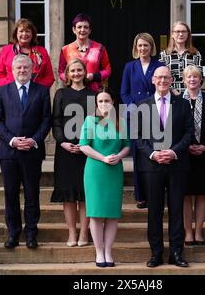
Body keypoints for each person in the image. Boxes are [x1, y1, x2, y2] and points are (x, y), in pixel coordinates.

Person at [134, 66, 193, 268]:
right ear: (153, 80)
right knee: (154, 211)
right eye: (158, 77)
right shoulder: (142, 105)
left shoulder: (183, 105)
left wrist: (173, 152)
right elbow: (137, 136)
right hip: (152, 166)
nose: (162, 80)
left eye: (166, 77)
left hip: (177, 164)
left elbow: (188, 133)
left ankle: (176, 253)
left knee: (177, 210)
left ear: (171, 80)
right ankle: (156, 253)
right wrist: (153, 153)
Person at [0, 54, 51, 249]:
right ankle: (13, 233)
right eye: (19, 68)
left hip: (32, 151)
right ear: (12, 70)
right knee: (11, 194)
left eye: (26, 67)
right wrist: (12, 140)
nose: (22, 71)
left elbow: (46, 121)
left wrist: (33, 140)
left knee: (32, 194)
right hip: (9, 153)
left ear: (32, 69)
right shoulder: (2, 91)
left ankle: (31, 233)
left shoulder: (42, 92)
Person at [79, 87, 130, 267]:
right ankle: (99, 252)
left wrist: (119, 156)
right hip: (95, 171)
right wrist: (103, 158)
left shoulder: (120, 122)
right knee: (96, 213)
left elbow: (127, 145)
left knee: (112, 214)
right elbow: (84, 146)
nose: (103, 104)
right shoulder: (90, 121)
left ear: (113, 102)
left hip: (114, 170)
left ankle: (108, 251)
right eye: (100, 101)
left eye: (106, 100)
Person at [51, 58, 95, 247]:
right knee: (68, 196)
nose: (76, 73)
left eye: (79, 70)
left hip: (88, 150)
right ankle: (72, 233)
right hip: (66, 151)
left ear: (85, 72)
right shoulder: (61, 94)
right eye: (72, 71)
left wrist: (86, 144)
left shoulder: (93, 94)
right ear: (67, 74)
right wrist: (63, 142)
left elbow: (97, 122)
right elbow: (56, 121)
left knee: (85, 194)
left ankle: (84, 234)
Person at [120, 32, 164, 209]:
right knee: (139, 156)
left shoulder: (159, 65)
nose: (143, 48)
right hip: (135, 116)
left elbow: (162, 87)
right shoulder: (129, 67)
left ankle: (155, 194)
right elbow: (124, 92)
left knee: (155, 154)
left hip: (155, 113)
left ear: (151, 47)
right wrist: (134, 109)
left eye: (146, 45)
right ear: (135, 48)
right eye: (140, 45)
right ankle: (140, 195)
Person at [181, 65, 205, 246]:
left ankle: (199, 231)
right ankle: (188, 232)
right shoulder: (177, 100)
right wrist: (186, 146)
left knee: (201, 194)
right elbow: (175, 127)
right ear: (184, 80)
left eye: (196, 77)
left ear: (200, 80)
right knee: (186, 195)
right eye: (189, 77)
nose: (192, 80)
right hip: (184, 154)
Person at [0, 18, 55, 88]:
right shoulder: (6, 50)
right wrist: (12, 87)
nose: (24, 34)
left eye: (27, 31)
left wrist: (38, 89)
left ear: (32, 34)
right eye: (21, 31)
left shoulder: (42, 52)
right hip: (11, 93)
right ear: (16, 34)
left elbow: (49, 77)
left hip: (36, 94)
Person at [59, 13, 112, 93]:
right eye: (79, 27)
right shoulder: (66, 49)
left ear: (90, 30)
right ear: (74, 29)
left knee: (90, 106)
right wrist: (71, 79)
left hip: (93, 91)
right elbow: (61, 71)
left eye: (86, 27)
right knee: (74, 106)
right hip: (74, 90)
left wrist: (93, 76)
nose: (82, 30)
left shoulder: (99, 48)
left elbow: (107, 69)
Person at [159, 21, 201, 94]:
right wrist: (173, 91)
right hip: (170, 95)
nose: (181, 34)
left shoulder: (195, 54)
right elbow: (162, 77)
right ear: (172, 34)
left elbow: (200, 76)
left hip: (191, 95)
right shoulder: (164, 55)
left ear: (188, 34)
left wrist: (190, 92)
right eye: (177, 31)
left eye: (184, 31)